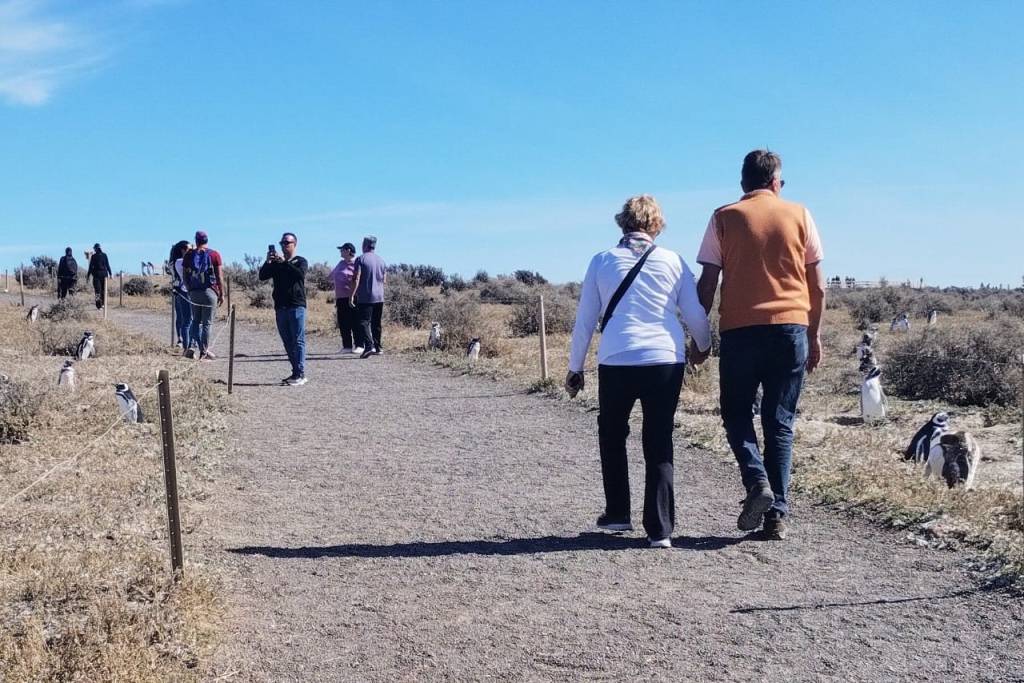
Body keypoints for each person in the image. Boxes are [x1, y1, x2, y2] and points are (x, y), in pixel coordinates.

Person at [566, 195, 712, 549]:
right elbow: (694, 315)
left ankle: (617, 512)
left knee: (612, 433)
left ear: (622, 223)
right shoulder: (674, 262)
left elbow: (585, 320)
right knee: (658, 438)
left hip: (616, 358)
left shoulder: (601, 261)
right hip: (664, 358)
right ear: (656, 225)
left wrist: (575, 367)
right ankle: (659, 529)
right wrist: (703, 347)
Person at [695, 149, 826, 541]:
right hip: (790, 329)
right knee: (780, 422)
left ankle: (757, 483)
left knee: (736, 414)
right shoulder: (801, 215)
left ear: (742, 183)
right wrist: (814, 334)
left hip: (739, 331)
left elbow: (707, 283)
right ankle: (777, 516)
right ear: (775, 182)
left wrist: (700, 338)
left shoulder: (723, 217)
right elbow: (817, 285)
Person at [259, 232, 309, 385]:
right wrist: (268, 261)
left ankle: (301, 373)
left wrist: (285, 262)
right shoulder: (277, 264)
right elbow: (262, 276)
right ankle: (295, 372)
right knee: (287, 341)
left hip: (296, 305)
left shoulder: (300, 261)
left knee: (298, 340)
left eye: (287, 243)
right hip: (281, 306)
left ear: (295, 244)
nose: (284, 245)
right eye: (282, 243)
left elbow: (299, 275)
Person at [183, 231, 224, 360]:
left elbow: (185, 275)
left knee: (195, 320)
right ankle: (204, 351)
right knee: (207, 323)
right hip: (209, 292)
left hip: (194, 292)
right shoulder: (214, 254)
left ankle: (192, 347)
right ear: (207, 240)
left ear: (196, 240)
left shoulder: (189, 255)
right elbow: (219, 277)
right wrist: (222, 293)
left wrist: (189, 289)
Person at [351, 235, 387, 359]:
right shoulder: (381, 260)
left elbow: (356, 278)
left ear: (365, 245)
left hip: (366, 296)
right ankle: (378, 347)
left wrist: (352, 294)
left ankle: (369, 345)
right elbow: (384, 280)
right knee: (376, 322)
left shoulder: (361, 259)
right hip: (379, 296)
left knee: (363, 322)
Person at [330, 242, 361, 354]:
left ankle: (359, 345)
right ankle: (347, 346)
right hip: (340, 297)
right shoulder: (341, 263)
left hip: (353, 297)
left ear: (348, 250)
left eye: (342, 250)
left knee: (355, 321)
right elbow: (331, 276)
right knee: (343, 322)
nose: (340, 252)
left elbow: (358, 278)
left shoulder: (357, 263)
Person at [169, 240, 193, 351]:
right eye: (189, 249)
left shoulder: (172, 262)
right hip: (183, 290)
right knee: (187, 318)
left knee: (180, 316)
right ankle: (187, 342)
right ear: (182, 250)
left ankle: (180, 339)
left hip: (176, 289)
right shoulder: (181, 262)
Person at [86, 243, 112, 309]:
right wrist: (110, 274)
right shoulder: (104, 255)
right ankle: (103, 304)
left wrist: (88, 276)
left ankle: (99, 306)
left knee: (97, 291)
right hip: (104, 275)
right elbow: (107, 265)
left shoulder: (94, 256)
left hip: (97, 276)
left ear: (95, 248)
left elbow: (90, 267)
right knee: (103, 291)